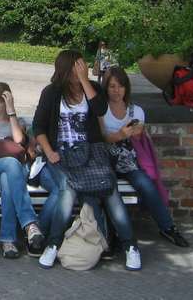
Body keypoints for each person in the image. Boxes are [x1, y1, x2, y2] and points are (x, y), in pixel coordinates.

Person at [33, 50, 142, 271]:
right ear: (66, 69)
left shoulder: (92, 88)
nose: (81, 70)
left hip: (92, 153)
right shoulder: (51, 92)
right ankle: (53, 244)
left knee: (110, 190)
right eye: (76, 67)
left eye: (82, 66)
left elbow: (101, 108)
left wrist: (84, 81)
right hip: (62, 154)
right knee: (67, 190)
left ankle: (131, 247)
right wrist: (49, 151)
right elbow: (39, 126)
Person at [101, 66, 189, 247]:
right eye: (112, 86)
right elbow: (100, 137)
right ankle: (114, 232)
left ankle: (167, 227)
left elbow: (138, 137)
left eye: (121, 86)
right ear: (106, 88)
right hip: (105, 160)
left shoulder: (136, 111)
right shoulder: (101, 110)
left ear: (126, 88)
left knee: (146, 184)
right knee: (109, 189)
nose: (117, 91)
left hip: (128, 161)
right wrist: (119, 135)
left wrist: (137, 133)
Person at [0, 82, 44, 258]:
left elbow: (19, 140)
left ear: (6, 101)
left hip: (16, 172)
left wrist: (11, 110)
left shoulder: (17, 121)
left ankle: (8, 241)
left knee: (8, 181)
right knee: (11, 164)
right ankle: (30, 224)